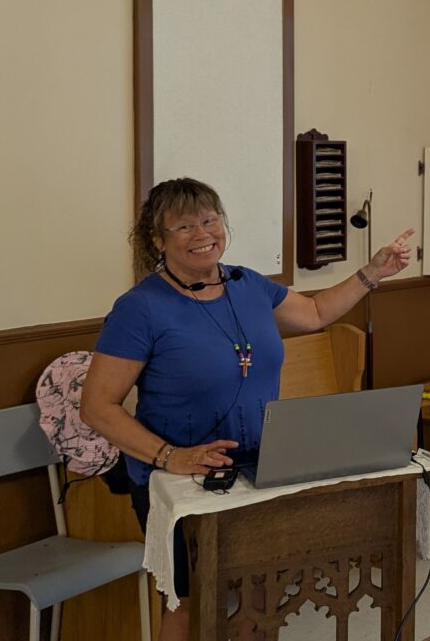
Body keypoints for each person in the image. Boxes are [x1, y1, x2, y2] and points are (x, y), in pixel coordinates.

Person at [81, 178, 413, 640]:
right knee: (188, 600)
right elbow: (96, 407)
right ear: (157, 240)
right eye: (184, 226)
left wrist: (372, 272)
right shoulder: (139, 308)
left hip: (258, 464)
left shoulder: (248, 284)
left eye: (209, 220)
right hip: (178, 478)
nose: (202, 234)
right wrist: (170, 456)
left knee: (261, 585)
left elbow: (316, 313)